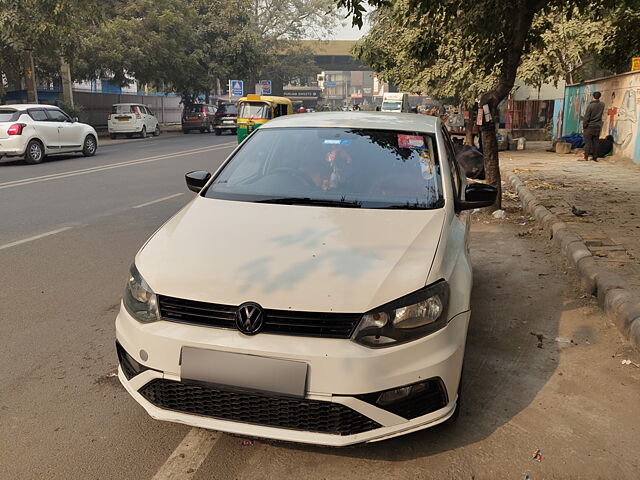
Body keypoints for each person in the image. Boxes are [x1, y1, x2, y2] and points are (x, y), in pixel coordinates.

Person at [582, 91, 605, 161]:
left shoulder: (590, 106)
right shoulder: (602, 105)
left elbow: (586, 117)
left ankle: (586, 156)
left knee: (588, 142)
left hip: (590, 126)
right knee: (596, 142)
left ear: (593, 97)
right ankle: (595, 157)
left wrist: (584, 126)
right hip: (598, 126)